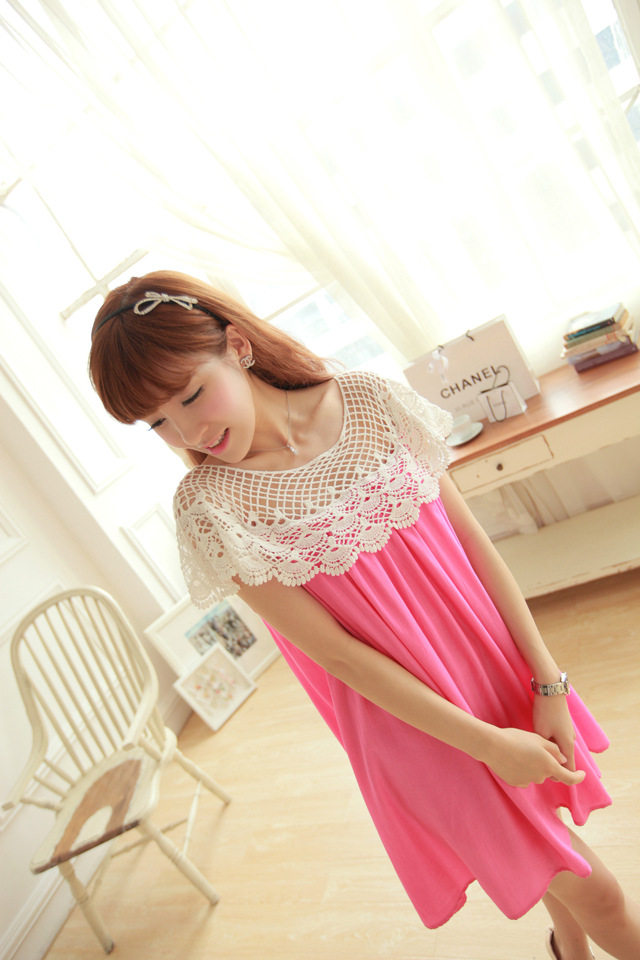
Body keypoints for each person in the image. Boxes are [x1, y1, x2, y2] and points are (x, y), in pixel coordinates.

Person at [89, 270, 640, 960]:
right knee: (600, 892)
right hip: (417, 727)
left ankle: (568, 948)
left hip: (489, 665)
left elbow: (473, 545)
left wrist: (547, 681)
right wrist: (487, 744)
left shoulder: (370, 401)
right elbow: (340, 656)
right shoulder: (211, 508)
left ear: (237, 346)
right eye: (157, 423)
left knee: (545, 841)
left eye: (192, 394)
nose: (187, 431)